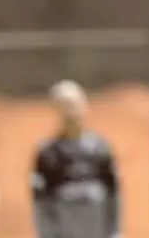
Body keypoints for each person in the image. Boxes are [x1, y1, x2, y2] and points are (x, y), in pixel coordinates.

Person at [30, 80, 121, 238]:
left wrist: (115, 233)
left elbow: (114, 195)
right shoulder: (48, 154)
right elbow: (41, 203)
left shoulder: (100, 149)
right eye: (64, 105)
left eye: (74, 104)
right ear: (56, 111)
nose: (71, 112)